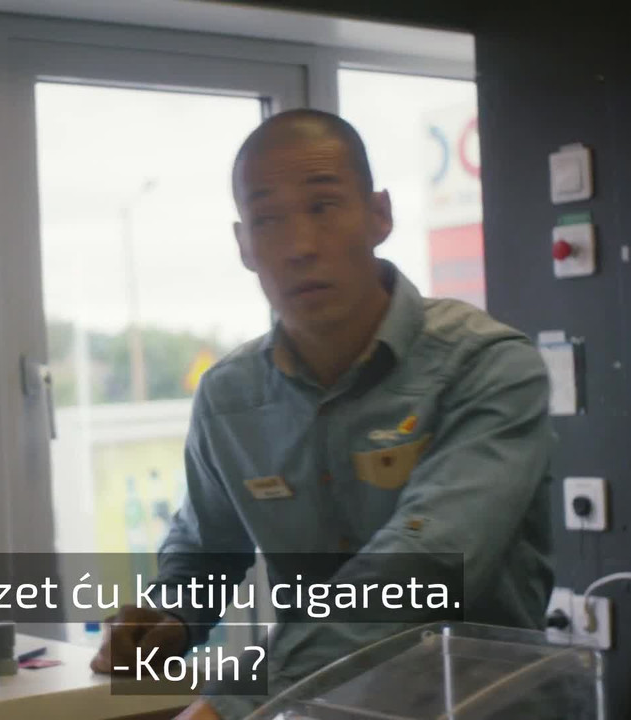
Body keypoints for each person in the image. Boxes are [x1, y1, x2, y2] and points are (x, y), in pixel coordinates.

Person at [90, 109, 554, 720]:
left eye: (323, 206)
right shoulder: (230, 397)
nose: (300, 246)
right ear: (244, 245)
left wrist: (231, 704)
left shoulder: (488, 366)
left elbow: (420, 569)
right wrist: (171, 616)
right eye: (268, 220)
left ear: (380, 215)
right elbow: (206, 549)